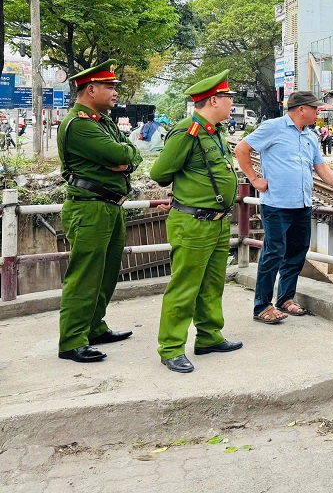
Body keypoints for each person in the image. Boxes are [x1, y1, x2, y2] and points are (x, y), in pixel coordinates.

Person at [234, 91, 333, 324]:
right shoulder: (273, 127)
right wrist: (254, 179)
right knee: (273, 254)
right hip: (276, 204)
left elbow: (319, 166)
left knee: (296, 253)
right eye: (315, 109)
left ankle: (285, 298)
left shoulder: (311, 136)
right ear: (301, 109)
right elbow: (241, 150)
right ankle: (262, 306)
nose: (317, 112)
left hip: (302, 204)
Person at [150, 71, 241, 374]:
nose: (231, 103)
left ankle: (209, 336)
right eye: (229, 98)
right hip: (192, 221)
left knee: (213, 283)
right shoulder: (187, 131)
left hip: (216, 221)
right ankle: (172, 347)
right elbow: (160, 173)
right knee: (185, 286)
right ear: (214, 100)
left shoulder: (214, 131)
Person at [56, 60, 142, 363]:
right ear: (90, 89)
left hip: (110, 206)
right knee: (85, 275)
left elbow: (130, 153)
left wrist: (126, 159)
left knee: (105, 274)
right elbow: (118, 153)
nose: (115, 92)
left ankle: (94, 327)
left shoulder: (101, 120)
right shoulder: (79, 123)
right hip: (90, 208)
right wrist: (124, 157)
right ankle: (71, 340)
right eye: (110, 87)